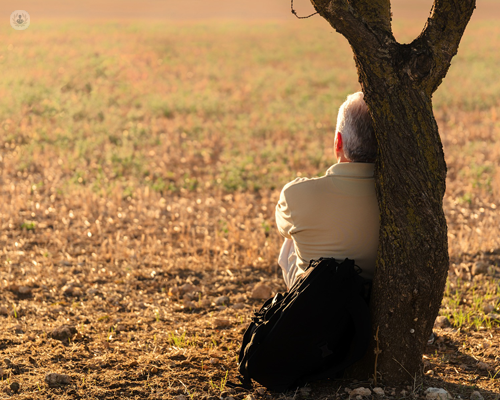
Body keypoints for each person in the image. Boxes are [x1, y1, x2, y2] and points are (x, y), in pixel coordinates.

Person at [275, 92, 379, 289]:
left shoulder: (295, 194)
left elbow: (282, 228)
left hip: (314, 303)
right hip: (370, 302)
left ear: (338, 141)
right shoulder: (400, 199)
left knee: (291, 238)